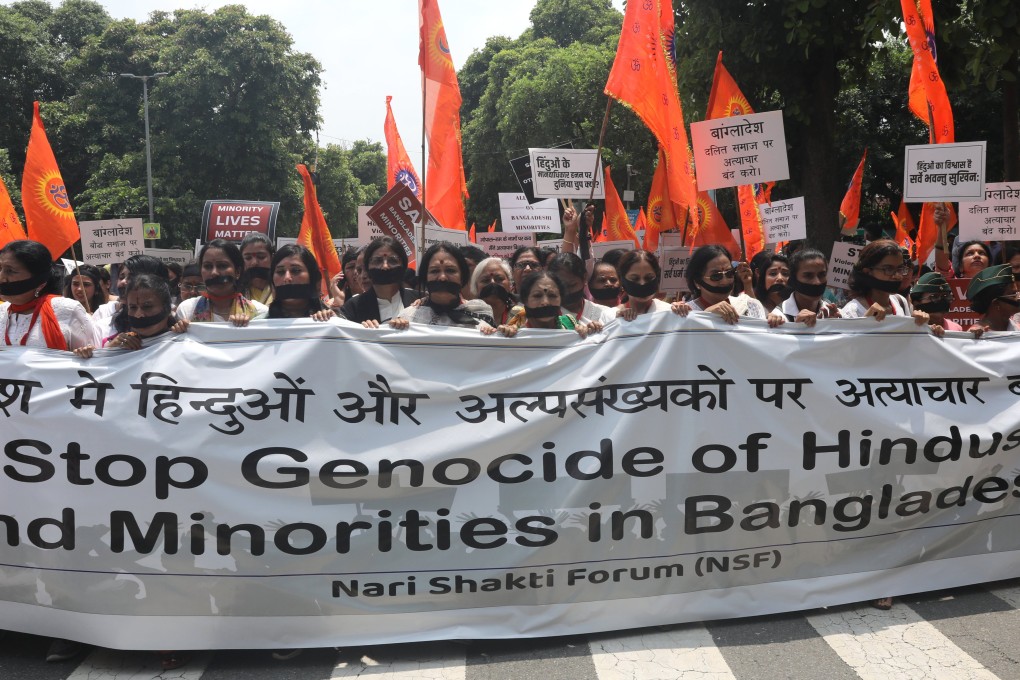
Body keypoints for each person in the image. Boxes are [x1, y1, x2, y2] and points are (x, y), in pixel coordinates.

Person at [0, 240, 97, 351]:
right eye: (0, 269)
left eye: (10, 271)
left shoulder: (67, 310)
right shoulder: (1, 311)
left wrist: (86, 353)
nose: (1, 277)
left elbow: (90, 361)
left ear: (38, 281)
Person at [74, 274, 183, 358]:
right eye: (133, 307)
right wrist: (99, 354)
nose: (139, 315)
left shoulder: (185, 341)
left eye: (147, 307)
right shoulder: (116, 343)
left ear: (166, 308)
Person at [395, 242, 495, 331]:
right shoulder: (408, 318)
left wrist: (506, 332)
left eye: (450, 270)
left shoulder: (481, 312)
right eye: (434, 271)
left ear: (462, 277)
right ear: (425, 277)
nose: (442, 278)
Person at [176, 239, 268, 325]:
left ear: (237, 272)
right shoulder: (187, 310)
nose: (214, 273)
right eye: (208, 266)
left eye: (222, 266)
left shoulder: (259, 313)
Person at [840, 239, 929, 325]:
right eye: (888, 269)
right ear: (867, 272)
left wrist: (923, 327)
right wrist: (865, 322)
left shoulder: (900, 302)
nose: (897, 276)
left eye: (900, 269)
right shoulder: (851, 312)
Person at [685, 245, 775, 325]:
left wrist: (773, 323)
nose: (725, 281)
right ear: (697, 282)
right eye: (716, 276)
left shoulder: (749, 305)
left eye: (729, 273)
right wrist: (706, 316)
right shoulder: (684, 313)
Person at [339, 236, 418, 327]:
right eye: (377, 261)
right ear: (368, 267)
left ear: (403, 265)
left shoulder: (420, 301)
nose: (385, 266)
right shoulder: (353, 307)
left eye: (392, 260)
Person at [498, 271, 601, 337]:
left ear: (561, 299)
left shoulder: (570, 324)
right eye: (537, 296)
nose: (545, 303)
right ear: (525, 300)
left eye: (552, 296)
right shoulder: (516, 335)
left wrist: (591, 333)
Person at [615, 249, 691, 321]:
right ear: (622, 280)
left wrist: (685, 313)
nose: (642, 283)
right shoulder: (609, 316)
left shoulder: (670, 312)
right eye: (635, 279)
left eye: (649, 278)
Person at [267, 244, 334, 321]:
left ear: (315, 280)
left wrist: (330, 321)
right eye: (280, 272)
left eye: (295, 270)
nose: (287, 278)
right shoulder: (259, 324)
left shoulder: (332, 320)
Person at [547, 252, 616, 324]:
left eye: (571, 285)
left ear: (584, 278)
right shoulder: (544, 318)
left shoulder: (605, 314)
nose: (566, 291)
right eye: (560, 286)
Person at [781, 248, 840, 326]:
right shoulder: (778, 318)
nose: (817, 282)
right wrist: (796, 328)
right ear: (793, 278)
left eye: (822, 275)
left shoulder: (836, 315)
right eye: (808, 276)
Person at [966, 264, 1020, 333]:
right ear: (996, 303)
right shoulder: (975, 335)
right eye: (1013, 294)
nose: (1018, 297)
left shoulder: (1017, 328)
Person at [469, 256, 521, 325]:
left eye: (499, 279)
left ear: (510, 284)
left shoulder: (522, 315)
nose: (492, 283)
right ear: (476, 286)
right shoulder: (466, 314)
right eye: (485, 280)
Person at [239, 232, 275, 305]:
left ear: (272, 258)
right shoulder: (235, 291)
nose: (254, 263)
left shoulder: (281, 287)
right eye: (248, 258)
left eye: (261, 257)